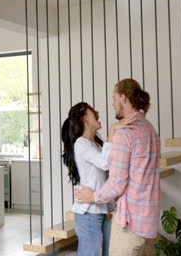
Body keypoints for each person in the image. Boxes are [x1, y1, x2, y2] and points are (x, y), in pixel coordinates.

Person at [74, 79, 161, 256]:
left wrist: (94, 196)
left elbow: (118, 182)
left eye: (114, 99)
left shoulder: (125, 134)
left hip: (130, 224)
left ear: (123, 98)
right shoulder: (150, 129)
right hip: (148, 220)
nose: (112, 104)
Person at [61, 102, 136, 256]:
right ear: (84, 118)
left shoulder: (97, 145)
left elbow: (111, 167)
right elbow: (104, 163)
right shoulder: (81, 143)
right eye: (93, 111)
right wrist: (113, 130)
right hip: (89, 212)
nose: (98, 112)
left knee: (109, 252)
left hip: (101, 208)